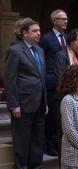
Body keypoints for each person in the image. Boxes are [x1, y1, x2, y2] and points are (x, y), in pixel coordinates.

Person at [4, 17, 47, 169]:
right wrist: (14, 104)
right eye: (35, 31)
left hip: (40, 103)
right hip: (22, 104)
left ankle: (36, 166)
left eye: (39, 30)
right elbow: (10, 80)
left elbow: (41, 78)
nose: (39, 33)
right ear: (24, 33)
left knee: (37, 139)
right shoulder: (14, 51)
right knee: (22, 141)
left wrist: (45, 102)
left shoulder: (40, 50)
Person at [54, 28, 78, 163]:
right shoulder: (61, 56)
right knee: (66, 135)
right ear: (71, 41)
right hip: (66, 99)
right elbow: (61, 79)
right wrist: (74, 95)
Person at [39, 9, 68, 156]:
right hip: (51, 83)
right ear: (54, 20)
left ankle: (59, 144)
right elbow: (41, 59)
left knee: (62, 117)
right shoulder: (46, 38)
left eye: (66, 19)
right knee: (51, 118)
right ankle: (49, 145)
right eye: (62, 19)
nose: (65, 21)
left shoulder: (68, 38)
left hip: (65, 84)